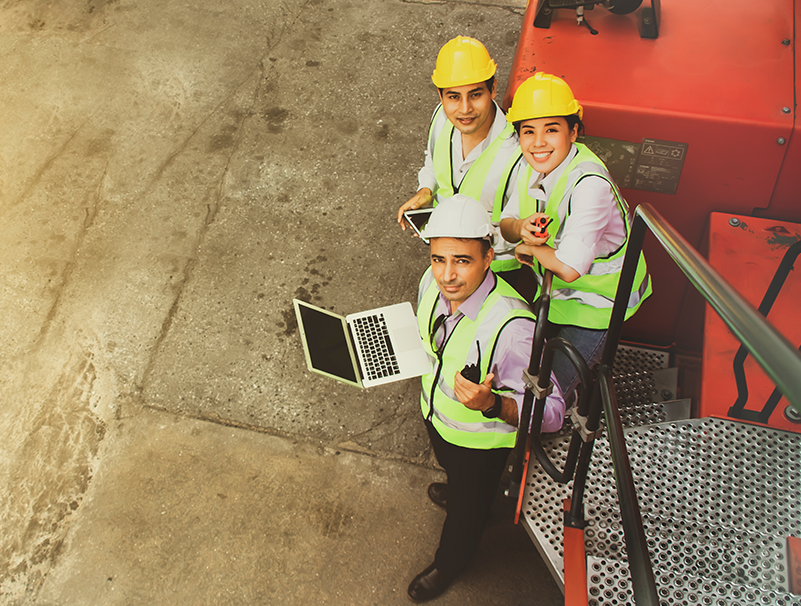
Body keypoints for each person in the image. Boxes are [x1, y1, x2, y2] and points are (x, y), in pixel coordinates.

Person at [408, 194, 565, 603]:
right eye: (439, 259)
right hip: (437, 417)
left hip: (479, 444)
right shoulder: (430, 283)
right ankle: (460, 489)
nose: (447, 276)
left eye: (462, 260)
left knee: (467, 512)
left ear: (489, 257)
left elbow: (553, 413)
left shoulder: (513, 327)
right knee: (456, 477)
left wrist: (493, 405)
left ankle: (452, 561)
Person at [499, 73, 652, 401]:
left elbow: (568, 268)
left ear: (574, 131)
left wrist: (530, 248)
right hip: (558, 296)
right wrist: (521, 226)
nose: (538, 142)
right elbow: (506, 223)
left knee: (547, 394)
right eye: (528, 132)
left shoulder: (589, 186)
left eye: (551, 129)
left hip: (598, 306)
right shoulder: (533, 165)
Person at [397, 36, 524, 285]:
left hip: (499, 271)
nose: (464, 109)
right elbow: (431, 162)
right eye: (453, 97)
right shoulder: (441, 119)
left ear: (493, 89)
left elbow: (520, 230)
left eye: (475, 95)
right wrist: (426, 190)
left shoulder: (518, 151)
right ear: (441, 96)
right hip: (451, 260)